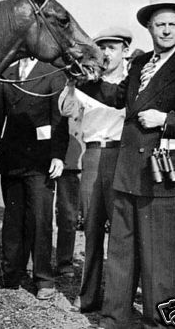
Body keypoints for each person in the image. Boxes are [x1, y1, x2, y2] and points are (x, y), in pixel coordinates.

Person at [79, 0, 175, 328]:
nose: (167, 30)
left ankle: (169, 323)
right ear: (150, 28)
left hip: (165, 178)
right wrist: (81, 78)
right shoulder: (140, 63)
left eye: (173, 24)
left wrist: (168, 120)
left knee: (163, 261)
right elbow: (115, 96)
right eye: (160, 24)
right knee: (122, 253)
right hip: (128, 173)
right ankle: (116, 319)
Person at [0, 58, 68, 300]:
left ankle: (43, 279)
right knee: (12, 219)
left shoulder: (53, 74)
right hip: (11, 158)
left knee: (40, 219)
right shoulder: (6, 73)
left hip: (41, 160)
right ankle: (11, 273)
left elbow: (59, 119)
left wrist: (58, 156)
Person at [60, 27, 131, 313]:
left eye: (112, 48)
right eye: (102, 48)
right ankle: (88, 296)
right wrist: (70, 83)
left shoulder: (133, 82)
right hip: (92, 156)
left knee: (121, 232)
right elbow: (66, 110)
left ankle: (117, 299)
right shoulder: (90, 82)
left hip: (122, 156)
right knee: (91, 229)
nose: (106, 54)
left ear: (125, 50)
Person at [55, 109, 83, 279]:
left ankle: (64, 262)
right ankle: (34, 259)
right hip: (55, 158)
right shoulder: (60, 87)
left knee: (69, 215)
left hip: (77, 159)